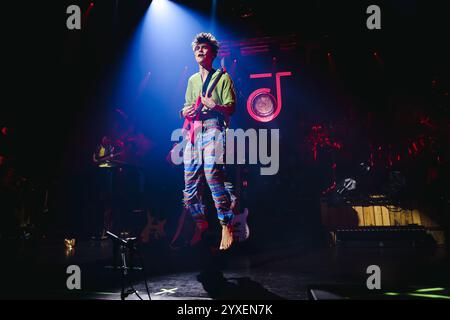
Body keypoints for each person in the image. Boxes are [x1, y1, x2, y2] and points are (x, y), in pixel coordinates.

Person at [181, 33, 237, 250]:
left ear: (213, 53)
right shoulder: (192, 80)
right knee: (189, 186)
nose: (200, 51)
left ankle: (226, 223)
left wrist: (215, 105)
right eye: (197, 48)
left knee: (213, 173)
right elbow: (186, 106)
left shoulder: (223, 78)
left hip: (214, 128)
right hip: (193, 132)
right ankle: (200, 223)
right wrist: (185, 110)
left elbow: (231, 107)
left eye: (205, 48)